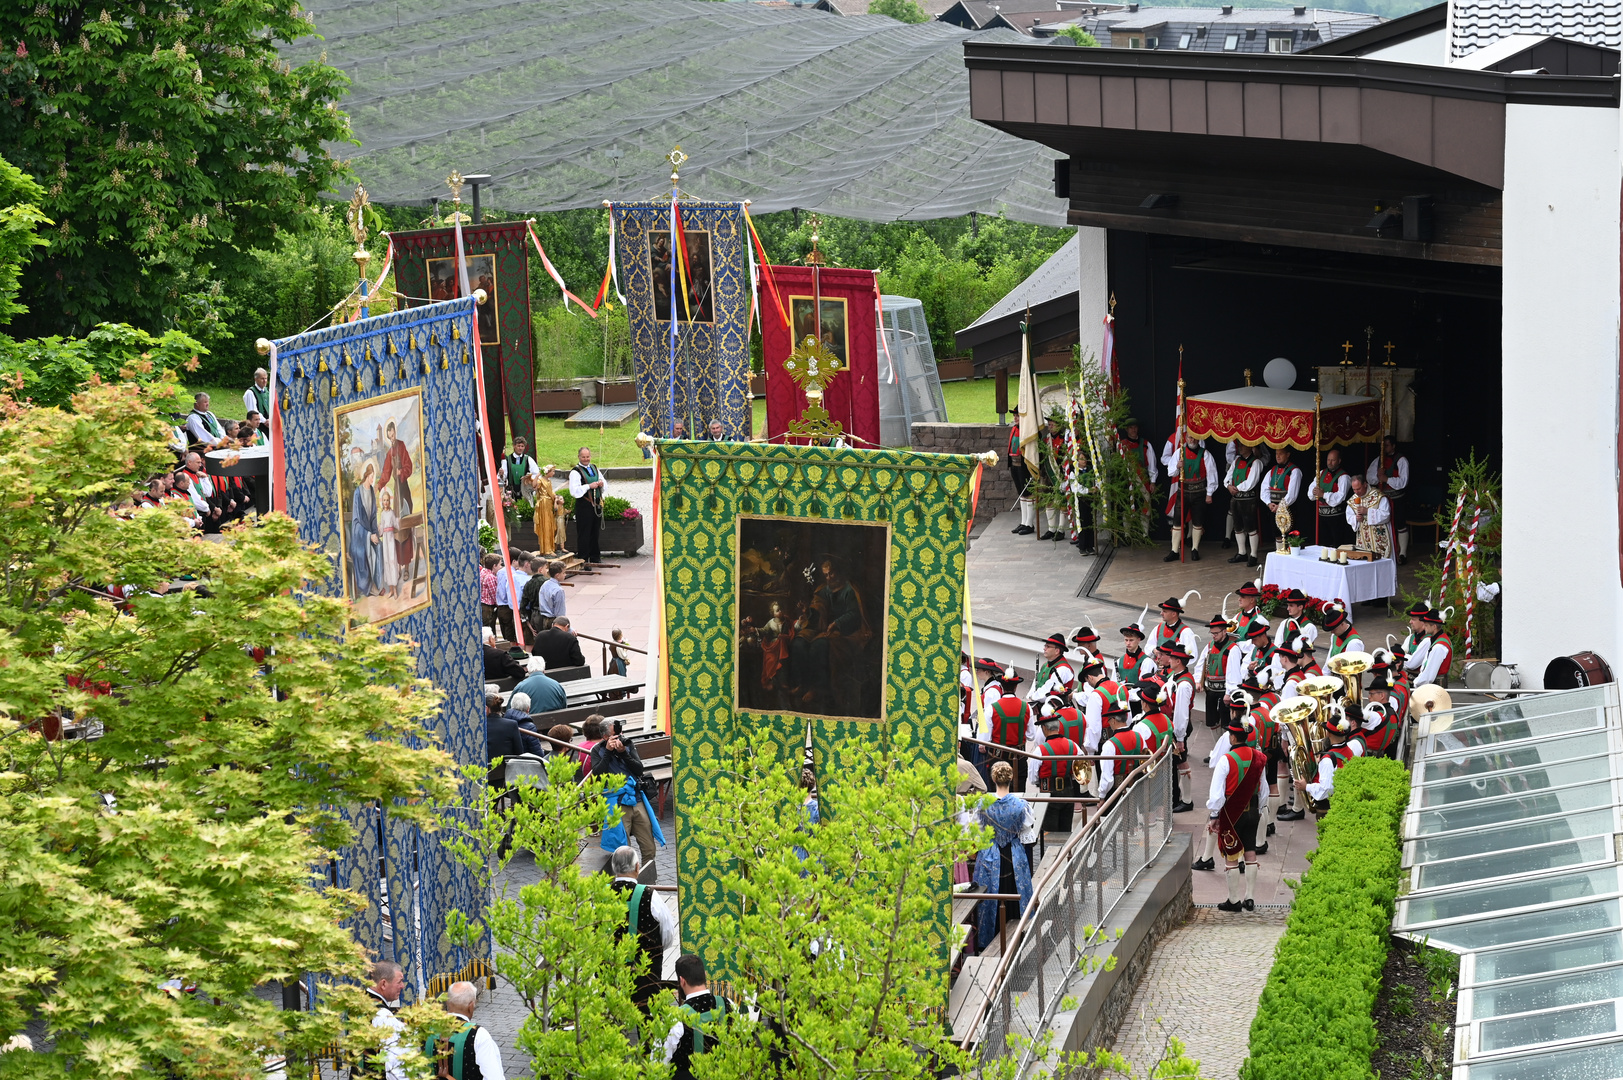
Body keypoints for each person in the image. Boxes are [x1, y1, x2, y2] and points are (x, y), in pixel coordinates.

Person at [1206, 709, 1268, 912]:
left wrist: (1214, 815)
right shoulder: (1259, 757)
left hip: (1232, 814)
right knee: (1251, 852)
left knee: (1231, 855)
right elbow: (1264, 788)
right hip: (1253, 811)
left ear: (1232, 737)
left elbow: (1217, 795)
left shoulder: (1226, 760)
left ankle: (1233, 900)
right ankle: (1250, 897)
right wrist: (1259, 809)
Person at [973, 760, 1035, 952]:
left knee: (990, 894)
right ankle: (1018, 937)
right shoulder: (1020, 805)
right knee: (1017, 892)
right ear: (1010, 779)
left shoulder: (982, 804)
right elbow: (1027, 835)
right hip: (1013, 856)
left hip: (990, 856)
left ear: (992, 779)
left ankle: (989, 939)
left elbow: (977, 832)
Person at [610, 845, 676, 1006]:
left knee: (610, 1022)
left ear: (613, 868)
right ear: (637, 867)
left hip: (609, 974)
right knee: (647, 1022)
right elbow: (667, 934)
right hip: (646, 976)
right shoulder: (650, 895)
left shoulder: (598, 896)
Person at [591, 725, 658, 865]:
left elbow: (639, 769)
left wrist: (624, 753)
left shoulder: (627, 744)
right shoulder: (597, 750)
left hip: (636, 798)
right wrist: (608, 752)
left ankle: (647, 880)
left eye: (620, 733)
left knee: (649, 848)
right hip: (617, 803)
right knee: (623, 850)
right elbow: (598, 775)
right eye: (615, 735)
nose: (620, 737)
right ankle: (627, 882)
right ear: (605, 737)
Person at [665, 955, 735, 1080]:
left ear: (682, 981)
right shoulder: (729, 1004)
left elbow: (660, 1060)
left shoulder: (676, 1017)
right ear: (705, 974)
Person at [424, 981, 506, 1080]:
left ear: (448, 1002)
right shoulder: (479, 1034)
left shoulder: (425, 1029)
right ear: (471, 1006)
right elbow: (494, 1077)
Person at [1298, 702, 1363, 811]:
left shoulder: (1328, 759)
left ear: (1329, 734)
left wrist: (1306, 787)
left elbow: (1326, 789)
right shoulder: (1349, 750)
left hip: (1328, 807)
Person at [1163, 436, 1217, 562]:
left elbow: (1212, 474)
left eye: (1194, 438)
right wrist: (1177, 466)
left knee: (1198, 522)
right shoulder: (1179, 452)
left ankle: (1194, 549)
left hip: (1199, 492)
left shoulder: (1206, 455)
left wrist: (1209, 493)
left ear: (1199, 439)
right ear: (1185, 438)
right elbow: (1170, 472)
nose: (1192, 440)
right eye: (1189, 438)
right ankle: (1174, 551)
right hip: (1184, 492)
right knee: (1177, 522)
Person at [1026, 716, 1080, 833]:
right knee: (1066, 829)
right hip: (1068, 792)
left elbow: (1032, 778)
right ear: (1059, 727)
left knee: (1048, 832)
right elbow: (1081, 769)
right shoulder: (1073, 746)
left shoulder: (1040, 751)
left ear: (1044, 728)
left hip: (1048, 793)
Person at [378, 421, 416, 576]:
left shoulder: (402, 446)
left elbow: (409, 466)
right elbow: (386, 472)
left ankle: (406, 568)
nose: (391, 437)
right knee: (396, 529)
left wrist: (402, 472)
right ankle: (399, 568)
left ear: (395, 431)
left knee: (405, 526)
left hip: (404, 490)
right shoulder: (389, 452)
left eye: (392, 434)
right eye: (389, 436)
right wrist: (379, 485)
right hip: (396, 493)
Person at [1367, 434, 1412, 564]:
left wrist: (1386, 479)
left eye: (1386, 445)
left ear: (1393, 446)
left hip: (1397, 498)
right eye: (1382, 446)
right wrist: (1378, 476)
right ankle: (1386, 552)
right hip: (1383, 499)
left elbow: (1403, 481)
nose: (1384, 448)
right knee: (1384, 525)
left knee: (1399, 524)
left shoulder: (1401, 460)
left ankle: (1402, 554)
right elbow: (1370, 478)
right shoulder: (1378, 460)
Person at [359, 960, 406, 1080]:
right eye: (399, 982)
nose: (403, 986)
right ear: (383, 984)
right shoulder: (383, 1016)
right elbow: (395, 1070)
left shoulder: (358, 1002)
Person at [1199, 615, 1244, 729]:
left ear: (1224, 631)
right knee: (1211, 722)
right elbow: (1201, 664)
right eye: (1212, 633)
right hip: (1211, 690)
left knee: (1226, 723)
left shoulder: (1232, 649)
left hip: (1224, 691)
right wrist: (1198, 681)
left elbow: (1233, 673)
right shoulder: (1210, 646)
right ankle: (1216, 745)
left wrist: (1229, 692)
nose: (1213, 636)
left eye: (1216, 633)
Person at [1226, 443, 1264, 566]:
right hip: (1236, 499)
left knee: (1251, 528)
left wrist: (1236, 488)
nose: (1240, 448)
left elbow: (1251, 482)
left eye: (1243, 445)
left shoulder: (1256, 463)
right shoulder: (1236, 460)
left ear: (1250, 447)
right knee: (1237, 527)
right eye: (1239, 445)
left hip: (1248, 500)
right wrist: (1228, 486)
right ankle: (1242, 553)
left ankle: (1253, 555)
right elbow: (1228, 476)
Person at [1258, 446, 1302, 554]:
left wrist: (1281, 506)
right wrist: (1269, 503)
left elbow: (1292, 493)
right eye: (1276, 454)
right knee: (1277, 533)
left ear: (1288, 454)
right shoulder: (1272, 471)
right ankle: (1279, 554)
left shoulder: (1294, 471)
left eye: (1281, 454)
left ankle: (1292, 557)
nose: (1277, 456)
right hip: (1274, 507)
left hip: (1288, 508)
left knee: (1290, 533)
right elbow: (1264, 488)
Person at [569, 446, 607, 565]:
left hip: (596, 505)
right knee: (584, 533)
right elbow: (574, 491)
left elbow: (604, 482)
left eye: (588, 456)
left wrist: (601, 484)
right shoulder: (575, 471)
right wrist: (589, 486)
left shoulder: (594, 468)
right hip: (584, 505)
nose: (586, 459)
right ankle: (583, 559)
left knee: (595, 532)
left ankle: (595, 556)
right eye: (583, 457)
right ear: (579, 457)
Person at [1345, 472, 1395, 562]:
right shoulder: (1353, 500)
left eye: (1358, 489)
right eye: (1354, 490)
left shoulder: (1378, 496)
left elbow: (1386, 515)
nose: (1356, 492)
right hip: (1363, 540)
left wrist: (1367, 511)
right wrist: (1356, 519)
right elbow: (1349, 516)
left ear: (1365, 484)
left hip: (1380, 539)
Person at [1308, 447, 1351, 549]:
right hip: (1322, 515)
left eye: (1333, 460)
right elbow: (1311, 490)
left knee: (1337, 545)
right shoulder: (1321, 473)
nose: (1330, 463)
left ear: (1339, 461)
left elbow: (1341, 496)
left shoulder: (1344, 477)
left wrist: (1324, 495)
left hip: (1336, 517)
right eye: (1328, 460)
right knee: (1323, 546)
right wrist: (1314, 492)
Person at [493, 553, 532, 643]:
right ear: (514, 561)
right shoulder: (512, 574)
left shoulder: (502, 572)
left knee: (507, 634)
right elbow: (507, 593)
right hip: (509, 608)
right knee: (513, 636)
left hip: (502, 606)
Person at [1007, 423, 1036, 536]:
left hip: (1024, 464)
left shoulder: (1027, 429)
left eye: (1017, 416)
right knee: (1021, 494)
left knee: (1028, 493)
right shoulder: (1015, 429)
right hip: (1015, 463)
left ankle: (1029, 524)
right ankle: (1024, 522)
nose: (1015, 418)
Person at [486, 694, 530, 765]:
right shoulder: (511, 725)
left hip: (485, 771)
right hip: (506, 769)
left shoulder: (480, 728)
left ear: (486, 709)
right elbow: (519, 752)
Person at [532, 465, 565, 558]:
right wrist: (538, 475)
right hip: (543, 505)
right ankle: (546, 549)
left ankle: (550, 548)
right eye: (553, 471)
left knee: (550, 526)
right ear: (548, 472)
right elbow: (534, 486)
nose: (554, 473)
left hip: (549, 504)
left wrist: (556, 498)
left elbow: (551, 493)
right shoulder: (540, 480)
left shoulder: (549, 481)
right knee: (545, 526)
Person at [1415, 607, 1454, 687]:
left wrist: (1415, 684)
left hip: (1435, 688)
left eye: (1426, 625)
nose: (1424, 627)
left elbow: (1429, 676)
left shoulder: (1439, 646)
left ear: (1434, 626)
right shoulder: (1440, 639)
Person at [498, 437, 539, 504]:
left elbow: (536, 473)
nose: (520, 448)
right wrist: (501, 475)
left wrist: (528, 478)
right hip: (511, 491)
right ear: (514, 446)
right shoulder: (507, 460)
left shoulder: (528, 459)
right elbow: (503, 476)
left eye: (522, 446)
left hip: (525, 491)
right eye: (518, 446)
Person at [1117, 624, 1156, 693]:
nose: (1128, 643)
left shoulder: (1146, 661)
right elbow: (1114, 682)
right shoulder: (1119, 661)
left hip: (1138, 699)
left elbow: (1143, 685)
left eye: (1131, 640)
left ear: (1138, 640)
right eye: (1126, 640)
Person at [537, 560, 567, 628]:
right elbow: (560, 612)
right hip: (553, 621)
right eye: (564, 573)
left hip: (543, 619)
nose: (565, 575)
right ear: (557, 575)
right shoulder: (559, 590)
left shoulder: (545, 584)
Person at [478, 553, 500, 631]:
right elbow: (494, 593)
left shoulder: (482, 572)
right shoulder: (490, 577)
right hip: (488, 606)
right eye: (499, 565)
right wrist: (498, 604)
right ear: (494, 566)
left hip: (482, 603)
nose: (500, 567)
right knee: (489, 628)